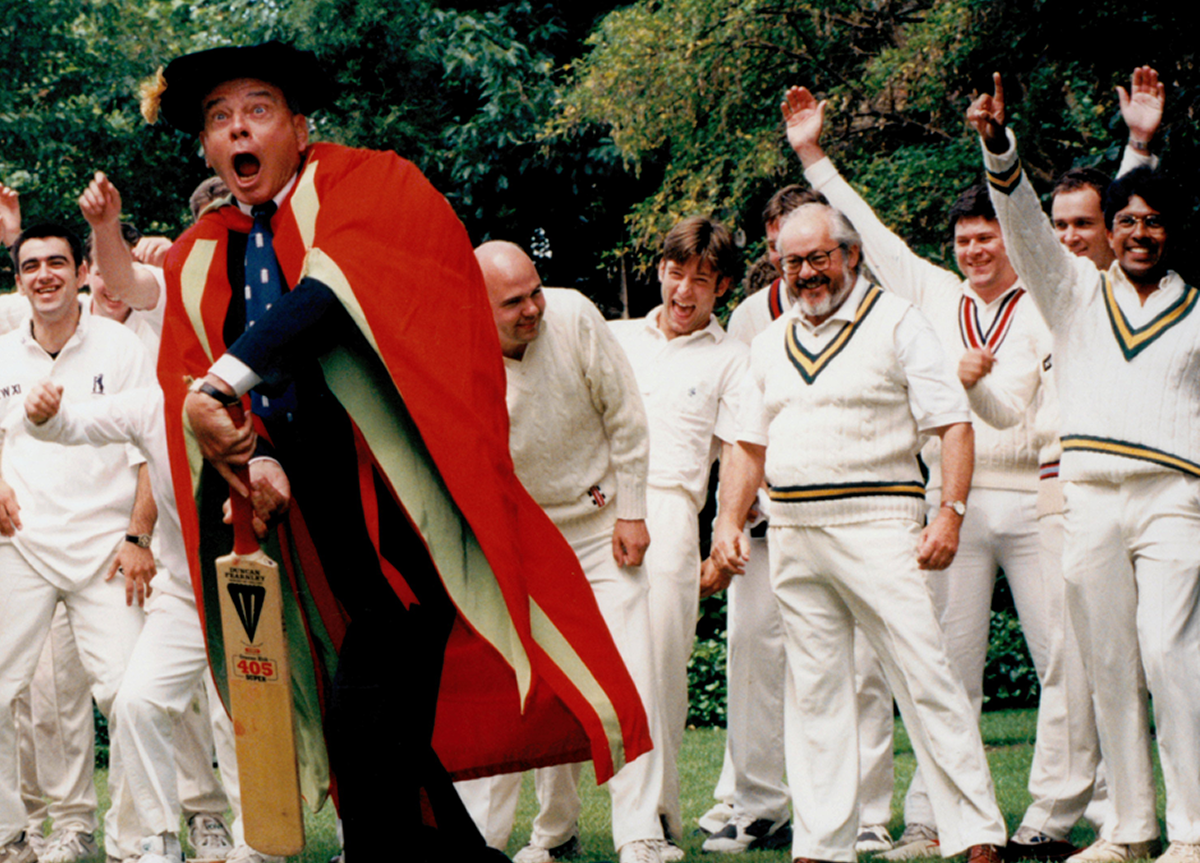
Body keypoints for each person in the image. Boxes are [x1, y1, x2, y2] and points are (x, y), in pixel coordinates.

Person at [142, 40, 650, 863]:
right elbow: (192, 379)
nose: (237, 128)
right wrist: (249, 452)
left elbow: (332, 297)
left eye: (258, 110)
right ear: (206, 147)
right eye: (218, 117)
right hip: (326, 537)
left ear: (301, 126)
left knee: (364, 724)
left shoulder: (371, 184)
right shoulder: (207, 250)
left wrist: (221, 382)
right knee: (390, 744)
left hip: (411, 516)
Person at [782, 80, 1150, 861]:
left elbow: (1103, 226)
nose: (978, 250)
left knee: (1070, 654)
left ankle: (1083, 807)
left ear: (1019, 242)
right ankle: (931, 817)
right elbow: (871, 239)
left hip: (1045, 494)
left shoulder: (1061, 295)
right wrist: (813, 157)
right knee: (939, 661)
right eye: (965, 240)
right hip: (957, 499)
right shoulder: (938, 295)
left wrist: (1138, 146)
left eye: (992, 238)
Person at [710, 200, 1007, 863]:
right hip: (792, 531)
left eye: (819, 258)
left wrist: (950, 512)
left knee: (924, 675)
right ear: (778, 266)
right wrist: (729, 519)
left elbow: (952, 423)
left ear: (849, 254)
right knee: (814, 692)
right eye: (793, 262)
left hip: (880, 524)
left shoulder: (899, 321)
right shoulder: (766, 341)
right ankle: (822, 843)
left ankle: (977, 831)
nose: (808, 273)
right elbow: (746, 445)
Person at [971, 69, 1200, 863]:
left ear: (1173, 231)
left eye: (1153, 222)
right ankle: (1130, 827)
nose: (1139, 232)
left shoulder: (1198, 309)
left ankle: (1193, 833)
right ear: (1110, 232)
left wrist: (1143, 143)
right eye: (1126, 220)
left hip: (1174, 499)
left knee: (1171, 656)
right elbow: (1030, 230)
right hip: (1090, 498)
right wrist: (1000, 148)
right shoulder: (1072, 296)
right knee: (1108, 664)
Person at [458, 240, 669, 863]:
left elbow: (627, 419)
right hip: (520, 541)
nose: (533, 309)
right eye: (514, 302)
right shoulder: (459, 346)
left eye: (536, 290)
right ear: (479, 305)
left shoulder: (575, 316)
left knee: (630, 677)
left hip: (603, 529)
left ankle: (640, 833)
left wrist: (631, 510)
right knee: (524, 690)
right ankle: (524, 835)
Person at [0, 222, 156, 863]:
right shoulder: (4, 352)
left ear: (83, 270)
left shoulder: (121, 347)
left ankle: (131, 840)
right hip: (21, 545)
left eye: (57, 263)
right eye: (31, 265)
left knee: (129, 695)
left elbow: (152, 450)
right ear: (18, 280)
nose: (44, 275)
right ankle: (12, 836)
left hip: (105, 551)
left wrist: (138, 534)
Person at [608, 217, 760, 854]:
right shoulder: (614, 338)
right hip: (598, 510)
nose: (684, 290)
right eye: (677, 273)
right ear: (660, 271)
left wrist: (725, 528)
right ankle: (553, 828)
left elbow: (742, 452)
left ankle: (656, 821)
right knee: (592, 670)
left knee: (661, 673)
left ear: (721, 285)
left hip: (671, 512)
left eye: (701, 279)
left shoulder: (733, 359)